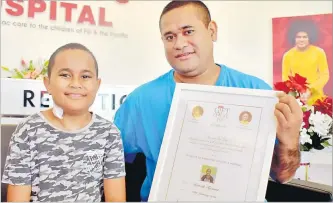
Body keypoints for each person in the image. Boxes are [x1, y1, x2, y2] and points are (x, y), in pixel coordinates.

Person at [114, 1, 302, 201]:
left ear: (212, 31)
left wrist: (289, 140)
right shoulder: (141, 101)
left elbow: (282, 175)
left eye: (188, 31)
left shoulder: (256, 93)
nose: (179, 44)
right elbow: (110, 162)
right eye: (170, 37)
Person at [2, 43, 126, 202]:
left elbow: (116, 198)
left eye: (85, 76)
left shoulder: (109, 133)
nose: (75, 83)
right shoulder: (27, 131)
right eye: (65, 75)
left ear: (97, 84)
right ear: (47, 84)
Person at [282, 19, 330, 104]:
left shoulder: (319, 52)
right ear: (294, 38)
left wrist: (310, 90)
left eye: (305, 37)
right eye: (298, 37)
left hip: (316, 97)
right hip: (296, 97)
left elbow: (324, 75)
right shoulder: (288, 55)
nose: (301, 40)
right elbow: (285, 78)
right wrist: (297, 91)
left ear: (310, 38)